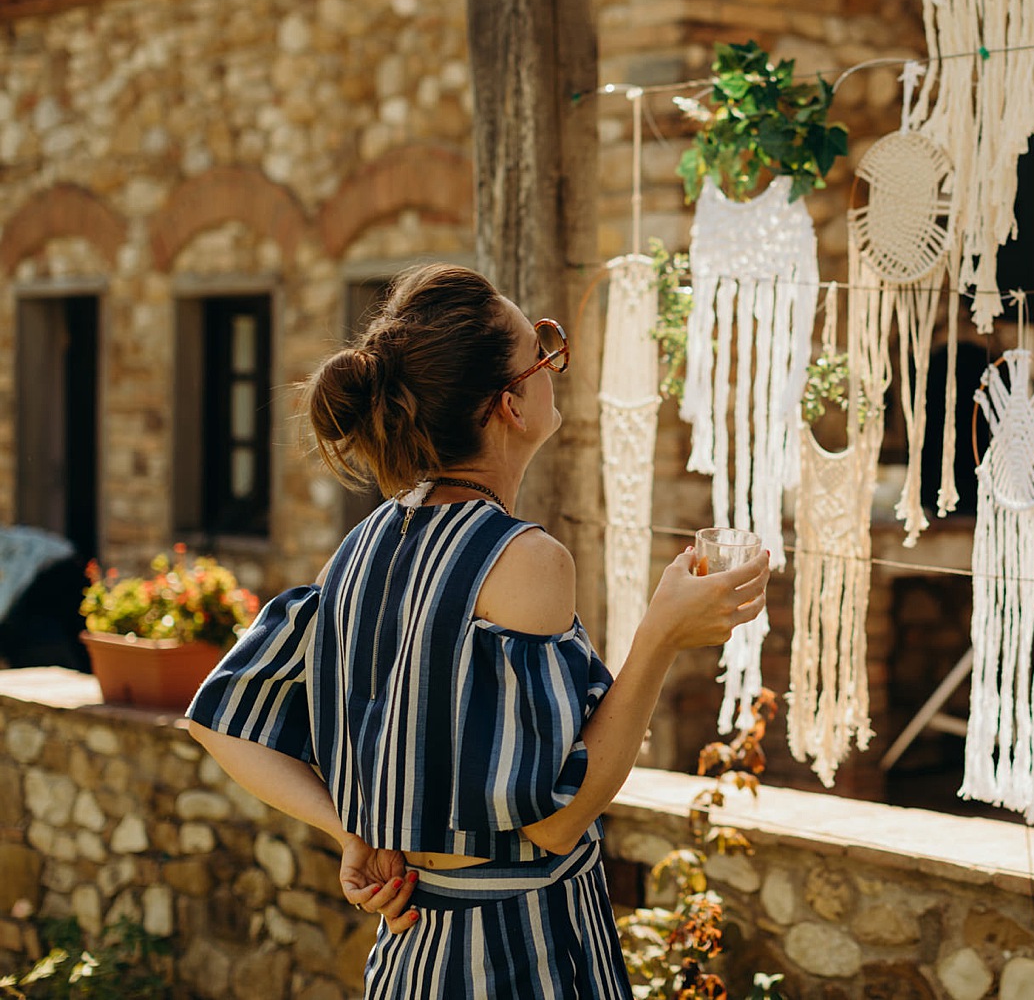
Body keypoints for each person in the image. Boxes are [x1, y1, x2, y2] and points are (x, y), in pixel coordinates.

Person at [186, 263, 768, 998]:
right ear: (508, 405)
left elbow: (219, 718)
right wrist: (660, 635)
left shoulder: (363, 542)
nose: (556, 364)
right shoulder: (525, 560)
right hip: (521, 949)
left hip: (411, 954)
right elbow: (556, 819)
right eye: (544, 350)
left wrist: (351, 832)